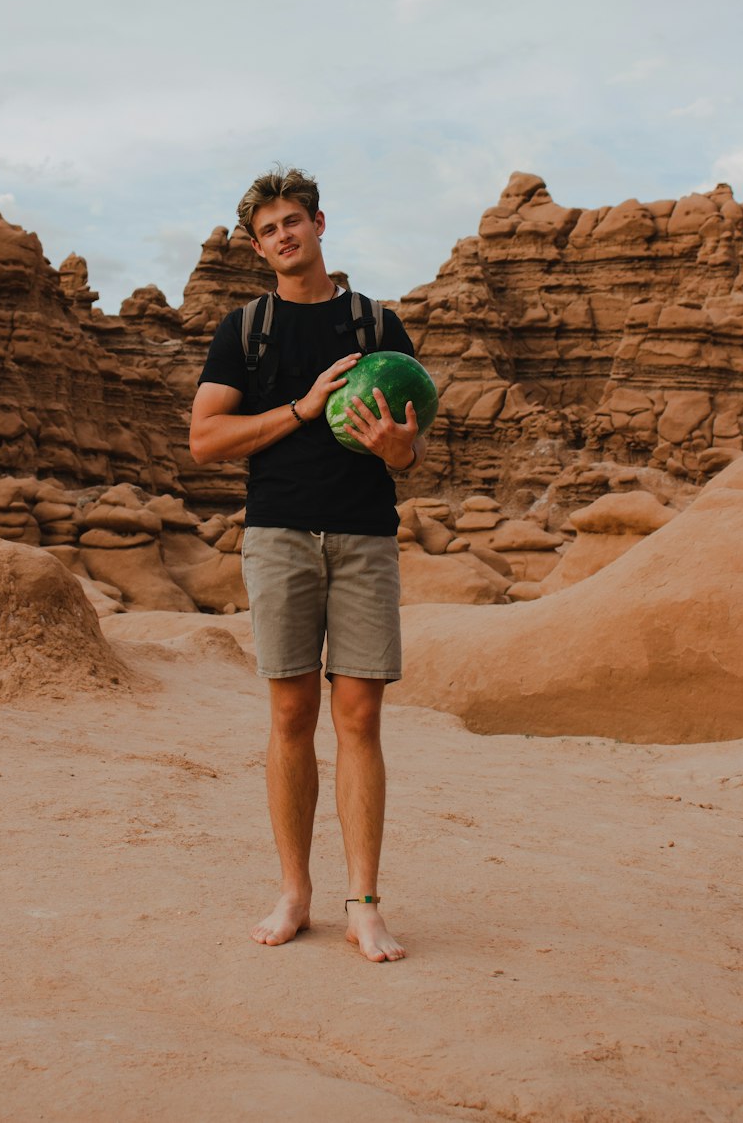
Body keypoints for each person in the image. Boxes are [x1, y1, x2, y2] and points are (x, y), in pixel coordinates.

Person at [189, 166, 425, 963]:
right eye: (268, 229)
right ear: (258, 247)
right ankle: (296, 892)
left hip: (362, 536)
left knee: (359, 718)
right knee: (290, 717)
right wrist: (300, 407)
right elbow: (204, 440)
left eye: (294, 220)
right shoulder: (244, 330)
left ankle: (364, 901)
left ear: (321, 225)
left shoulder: (375, 324)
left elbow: (412, 448)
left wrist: (400, 449)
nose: (284, 236)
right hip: (280, 535)